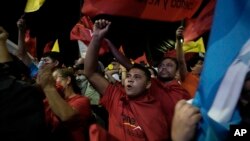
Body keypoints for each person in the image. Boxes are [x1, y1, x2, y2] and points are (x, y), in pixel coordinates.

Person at [84, 19, 169, 140]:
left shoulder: (154, 112)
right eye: (128, 76)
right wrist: (96, 38)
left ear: (148, 84)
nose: (130, 80)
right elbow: (90, 73)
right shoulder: (116, 96)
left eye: (137, 77)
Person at [105, 28, 190, 138]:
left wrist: (178, 41)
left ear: (177, 71)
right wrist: (110, 45)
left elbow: (182, 62)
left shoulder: (182, 92)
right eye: (161, 65)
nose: (163, 68)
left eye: (169, 65)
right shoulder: (152, 85)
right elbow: (129, 65)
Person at [0, 26, 49, 141]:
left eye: (46, 60)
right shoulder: (30, 80)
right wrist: (20, 31)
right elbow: (21, 55)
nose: (41, 62)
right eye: (41, 60)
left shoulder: (24, 94)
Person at [37, 66, 92, 141]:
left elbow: (67, 116)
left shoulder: (82, 100)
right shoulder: (49, 100)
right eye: (50, 80)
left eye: (54, 78)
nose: (52, 82)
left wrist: (48, 86)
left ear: (68, 80)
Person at [176, 26, 204, 97]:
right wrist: (179, 40)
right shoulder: (186, 76)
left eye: (204, 63)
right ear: (192, 67)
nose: (203, 66)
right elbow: (181, 61)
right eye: (200, 64)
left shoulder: (206, 78)